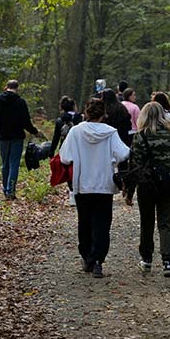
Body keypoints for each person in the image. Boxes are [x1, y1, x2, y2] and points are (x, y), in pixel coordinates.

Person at [59, 97, 130, 278]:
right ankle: (98, 260)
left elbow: (65, 157)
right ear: (104, 114)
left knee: (84, 222)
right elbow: (123, 154)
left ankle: (86, 257)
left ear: (87, 112)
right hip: (104, 185)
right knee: (102, 223)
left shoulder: (76, 132)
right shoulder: (110, 133)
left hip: (82, 184)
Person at [125, 102, 170, 277]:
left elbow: (134, 166)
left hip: (146, 185)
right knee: (166, 221)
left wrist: (129, 192)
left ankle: (146, 260)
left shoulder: (139, 137)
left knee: (146, 221)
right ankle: (167, 262)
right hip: (167, 183)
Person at [0, 79, 39, 200]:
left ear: (6, 87)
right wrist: (34, 131)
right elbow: (26, 122)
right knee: (14, 164)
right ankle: (11, 191)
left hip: (3, 136)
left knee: (5, 164)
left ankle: (5, 189)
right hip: (17, 137)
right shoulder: (20, 102)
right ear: (17, 88)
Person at [50, 96, 83, 206]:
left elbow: (56, 137)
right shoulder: (80, 118)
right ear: (74, 106)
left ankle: (72, 194)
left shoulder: (60, 120)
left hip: (65, 148)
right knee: (80, 169)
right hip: (80, 147)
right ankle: (80, 191)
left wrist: (51, 151)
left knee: (69, 172)